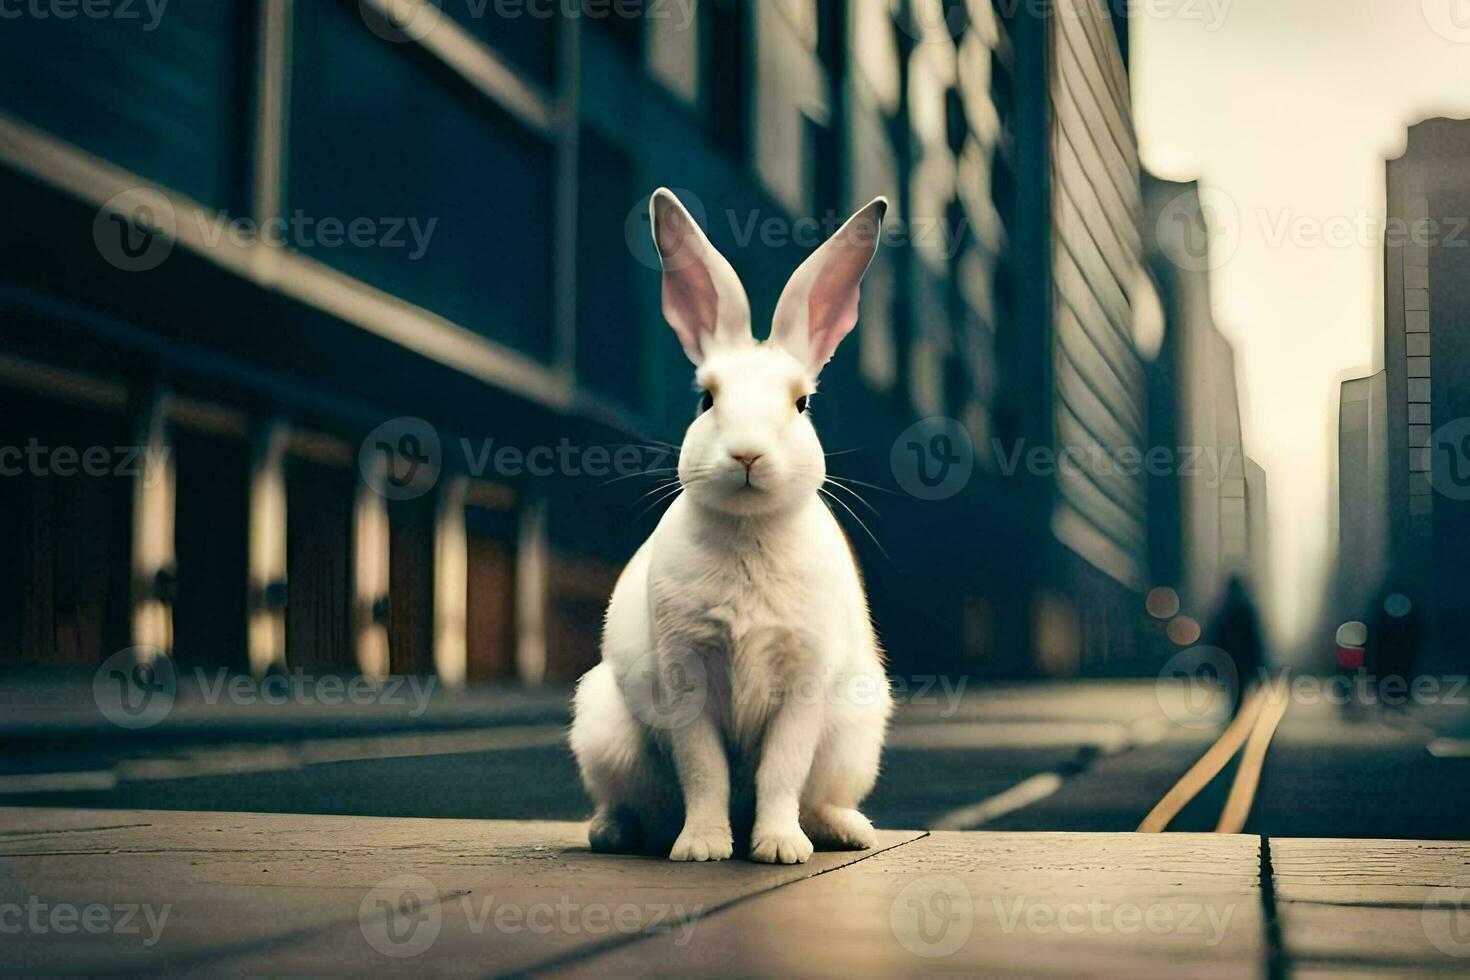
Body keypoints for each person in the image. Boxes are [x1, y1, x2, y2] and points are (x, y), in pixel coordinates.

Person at [1205, 577, 1267, 718]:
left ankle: (1235, 712)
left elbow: (1215, 637)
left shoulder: (1223, 611)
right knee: (1239, 687)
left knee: (1233, 688)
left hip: (1229, 658)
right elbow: (1254, 640)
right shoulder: (1246, 611)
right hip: (1243, 659)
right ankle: (1237, 713)